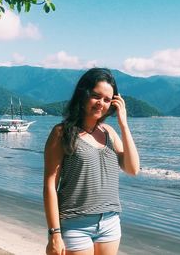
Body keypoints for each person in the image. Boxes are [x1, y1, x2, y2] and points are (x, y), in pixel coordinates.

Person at [43, 68, 140, 255]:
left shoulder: (109, 133)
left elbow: (133, 169)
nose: (101, 103)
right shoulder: (61, 133)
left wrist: (124, 124)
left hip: (110, 223)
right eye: (96, 96)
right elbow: (49, 186)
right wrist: (54, 234)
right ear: (83, 94)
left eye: (107, 99)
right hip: (75, 223)